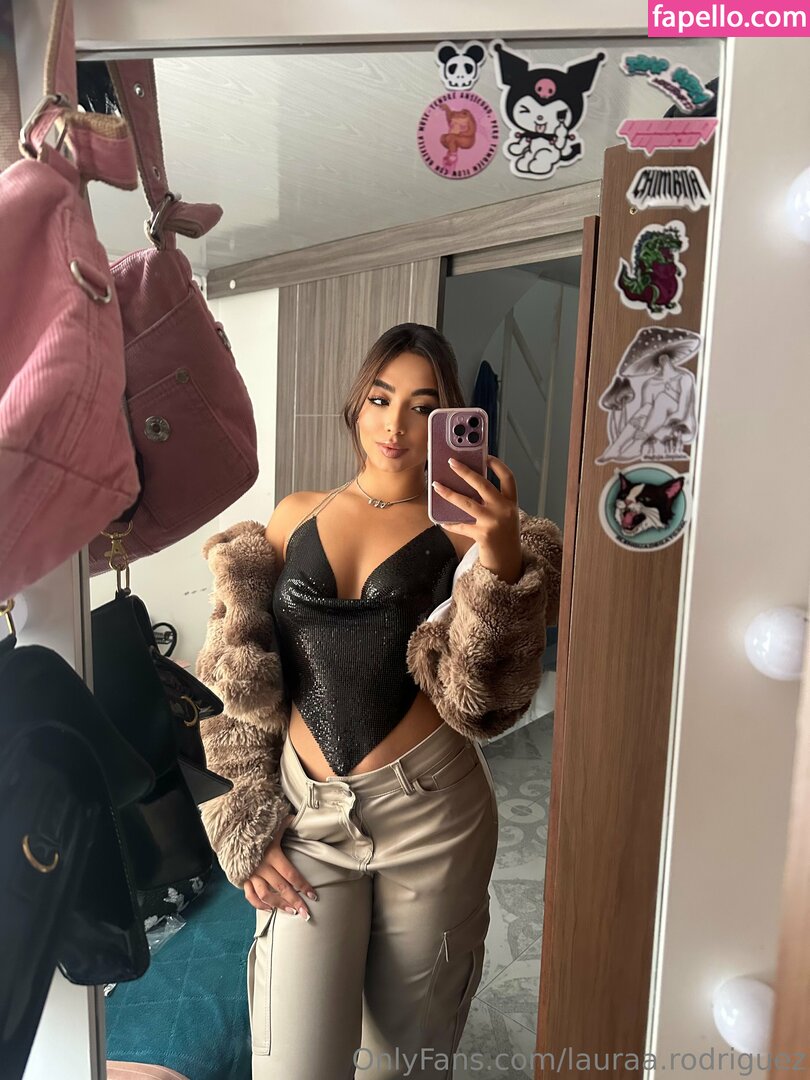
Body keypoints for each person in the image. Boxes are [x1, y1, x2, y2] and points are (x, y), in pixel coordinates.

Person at [196, 323, 562, 1080]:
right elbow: (240, 684)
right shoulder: (292, 516)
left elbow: (488, 703)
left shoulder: (469, 536)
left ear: (451, 418)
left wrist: (500, 559)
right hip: (308, 816)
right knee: (295, 1065)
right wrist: (241, 817)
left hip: (432, 816)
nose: (396, 423)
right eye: (381, 397)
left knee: (403, 1064)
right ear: (357, 403)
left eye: (423, 407)